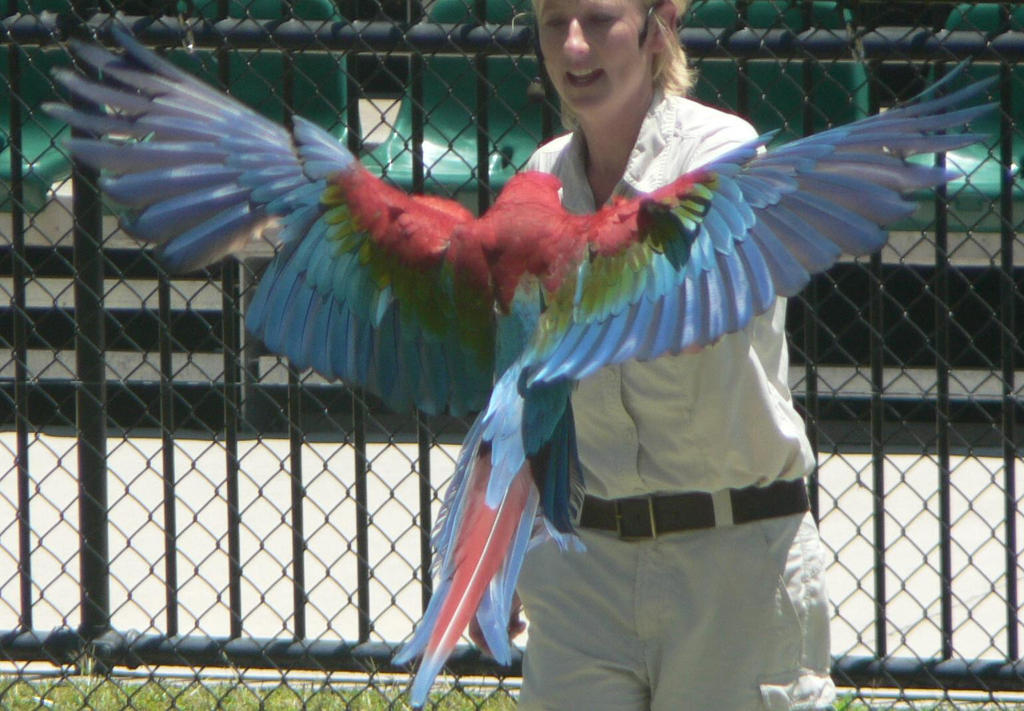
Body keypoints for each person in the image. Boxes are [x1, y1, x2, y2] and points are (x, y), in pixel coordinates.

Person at [488, 0, 836, 708]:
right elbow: (525, 388)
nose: (575, 46)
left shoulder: (721, 154)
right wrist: (498, 538)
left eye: (599, 19)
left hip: (732, 561)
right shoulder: (541, 176)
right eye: (555, 23)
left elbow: (679, 312)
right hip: (584, 567)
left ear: (658, 26)